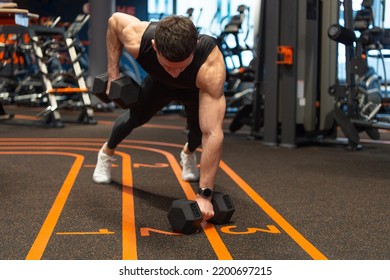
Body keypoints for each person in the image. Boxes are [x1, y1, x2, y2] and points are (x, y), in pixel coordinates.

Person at [92, 13, 226, 222]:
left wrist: (204, 195)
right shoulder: (138, 39)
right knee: (134, 118)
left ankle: (188, 153)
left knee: (199, 133)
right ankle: (106, 153)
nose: (175, 73)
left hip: (195, 89)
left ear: (194, 47)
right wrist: (113, 73)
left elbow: (213, 132)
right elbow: (113, 22)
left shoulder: (209, 66)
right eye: (168, 66)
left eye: (181, 66)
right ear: (154, 46)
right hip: (158, 85)